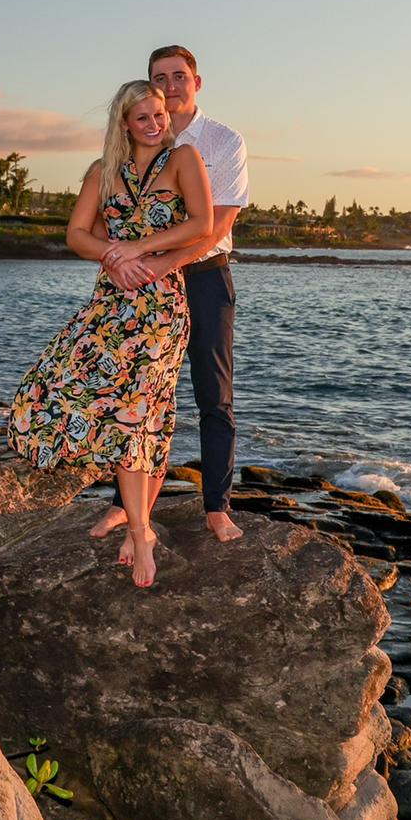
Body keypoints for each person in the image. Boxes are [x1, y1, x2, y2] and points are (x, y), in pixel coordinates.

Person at [10, 79, 213, 588]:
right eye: (143, 117)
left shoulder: (183, 159)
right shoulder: (103, 172)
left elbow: (203, 224)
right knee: (49, 386)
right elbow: (76, 234)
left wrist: (139, 249)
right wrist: (111, 256)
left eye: (160, 114)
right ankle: (138, 526)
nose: (155, 124)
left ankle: (140, 532)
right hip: (111, 301)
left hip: (160, 306)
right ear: (124, 123)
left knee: (136, 413)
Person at [89, 45, 250, 545]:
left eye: (180, 76)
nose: (172, 86)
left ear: (196, 82)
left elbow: (216, 224)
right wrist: (119, 261)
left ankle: (217, 508)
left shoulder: (222, 141)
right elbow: (107, 218)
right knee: (136, 394)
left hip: (203, 276)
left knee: (213, 395)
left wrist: (157, 262)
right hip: (141, 284)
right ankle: (126, 506)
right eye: (161, 78)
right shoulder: (134, 141)